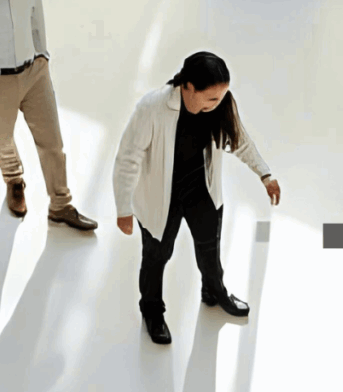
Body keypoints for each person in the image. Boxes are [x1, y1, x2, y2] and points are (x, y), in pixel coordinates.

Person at [113, 51, 281, 345]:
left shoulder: (219, 105)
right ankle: (152, 310)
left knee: (209, 248)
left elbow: (239, 141)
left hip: (201, 190)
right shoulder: (152, 107)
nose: (217, 103)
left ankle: (214, 291)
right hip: (161, 196)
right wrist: (123, 208)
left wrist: (265, 175)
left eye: (222, 96)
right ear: (187, 86)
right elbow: (128, 159)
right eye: (211, 97)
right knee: (156, 256)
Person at [0, 0, 96, 230]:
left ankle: (60, 205)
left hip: (35, 74)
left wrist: (42, 54)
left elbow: (36, 14)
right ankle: (14, 180)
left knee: (52, 141)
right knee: (3, 140)